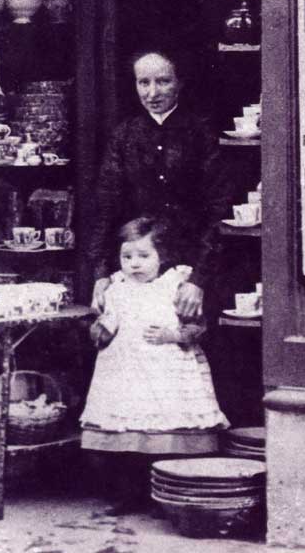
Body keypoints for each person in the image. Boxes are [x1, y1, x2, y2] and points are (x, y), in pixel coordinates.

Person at [79, 216, 228, 511]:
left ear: (163, 257)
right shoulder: (116, 288)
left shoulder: (174, 285)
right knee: (128, 432)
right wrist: (101, 329)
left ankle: (166, 494)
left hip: (165, 372)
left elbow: (199, 326)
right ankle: (130, 494)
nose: (135, 264)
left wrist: (173, 334)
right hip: (125, 373)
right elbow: (103, 328)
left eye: (144, 256)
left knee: (164, 432)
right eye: (127, 257)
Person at [90, 48, 233, 319]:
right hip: (135, 267)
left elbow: (219, 209)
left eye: (163, 81)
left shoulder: (201, 134)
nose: (152, 93)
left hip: (190, 267)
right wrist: (100, 273)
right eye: (143, 83)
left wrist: (198, 280)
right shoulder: (125, 136)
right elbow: (106, 207)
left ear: (180, 82)